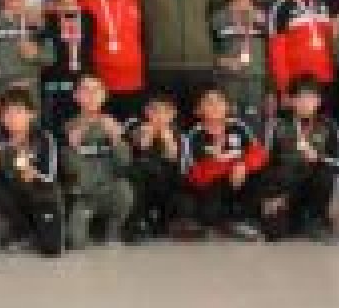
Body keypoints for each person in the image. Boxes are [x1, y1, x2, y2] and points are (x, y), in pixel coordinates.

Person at [259, 76, 339, 242]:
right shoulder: (277, 126)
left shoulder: (330, 126)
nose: (305, 103)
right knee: (274, 233)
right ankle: (291, 215)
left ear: (318, 101)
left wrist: (318, 158)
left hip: (315, 186)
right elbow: (265, 163)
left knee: (325, 174)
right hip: (286, 189)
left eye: (310, 98)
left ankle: (317, 219)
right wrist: (270, 196)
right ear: (291, 101)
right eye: (300, 98)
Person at [179, 86, 268, 240]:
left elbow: (259, 153)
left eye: (220, 102)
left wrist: (243, 165)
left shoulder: (239, 127)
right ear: (198, 110)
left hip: (240, 180)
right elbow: (194, 174)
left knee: (262, 175)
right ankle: (220, 223)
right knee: (206, 204)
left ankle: (242, 220)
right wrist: (228, 167)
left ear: (227, 107)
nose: (215, 106)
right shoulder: (193, 136)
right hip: (210, 188)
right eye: (209, 102)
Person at [0, 88, 65, 256]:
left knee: (51, 249)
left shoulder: (45, 138)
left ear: (31, 114)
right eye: (7, 113)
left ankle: (39, 227)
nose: (13, 118)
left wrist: (34, 173)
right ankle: (20, 230)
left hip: (43, 196)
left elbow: (50, 176)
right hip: (13, 196)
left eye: (18, 112)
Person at [61, 75, 136, 249]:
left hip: (109, 190)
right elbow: (68, 169)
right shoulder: (67, 126)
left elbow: (124, 163)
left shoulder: (112, 123)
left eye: (96, 91)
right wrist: (73, 147)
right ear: (76, 96)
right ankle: (89, 224)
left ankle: (113, 229)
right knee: (76, 242)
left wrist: (116, 140)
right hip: (83, 195)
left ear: (104, 95)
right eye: (85, 90)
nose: (91, 96)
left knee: (125, 192)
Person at [81, 0, 145, 122]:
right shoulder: (86, 2)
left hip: (133, 81)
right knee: (104, 132)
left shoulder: (137, 0)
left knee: (131, 131)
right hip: (100, 85)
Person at [210, 0, 273, 134]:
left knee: (255, 132)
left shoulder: (266, 18)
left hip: (257, 84)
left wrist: (271, 91)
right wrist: (223, 61)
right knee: (228, 130)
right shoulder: (217, 18)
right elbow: (206, 53)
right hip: (227, 83)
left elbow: (272, 56)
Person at [268, 0, 335, 97]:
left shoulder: (322, 3)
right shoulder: (281, 6)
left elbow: (329, 44)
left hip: (325, 79)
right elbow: (277, 51)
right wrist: (284, 87)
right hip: (298, 82)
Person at [41, 0, 95, 132]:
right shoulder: (45, 18)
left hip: (81, 91)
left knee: (78, 137)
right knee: (53, 135)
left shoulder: (89, 18)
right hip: (52, 88)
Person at [124, 94, 184, 239]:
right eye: (155, 110)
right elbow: (140, 149)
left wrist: (167, 139)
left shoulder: (175, 132)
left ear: (172, 114)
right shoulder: (137, 128)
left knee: (174, 179)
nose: (159, 116)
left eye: (165, 112)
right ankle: (138, 222)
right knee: (137, 175)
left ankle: (164, 221)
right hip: (143, 178)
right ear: (147, 112)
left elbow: (173, 157)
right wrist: (148, 135)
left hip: (166, 178)